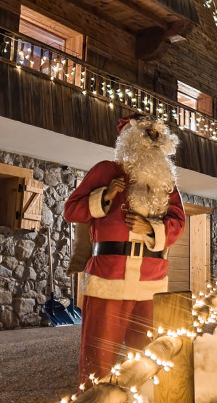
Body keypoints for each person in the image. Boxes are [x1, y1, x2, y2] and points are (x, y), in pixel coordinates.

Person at [65, 114, 186, 384]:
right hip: (109, 279)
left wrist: (150, 228)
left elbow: (178, 222)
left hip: (151, 282)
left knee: (146, 359)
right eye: (147, 136)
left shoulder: (165, 180)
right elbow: (71, 210)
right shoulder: (105, 171)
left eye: (156, 137)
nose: (152, 142)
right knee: (99, 359)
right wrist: (104, 196)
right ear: (130, 140)